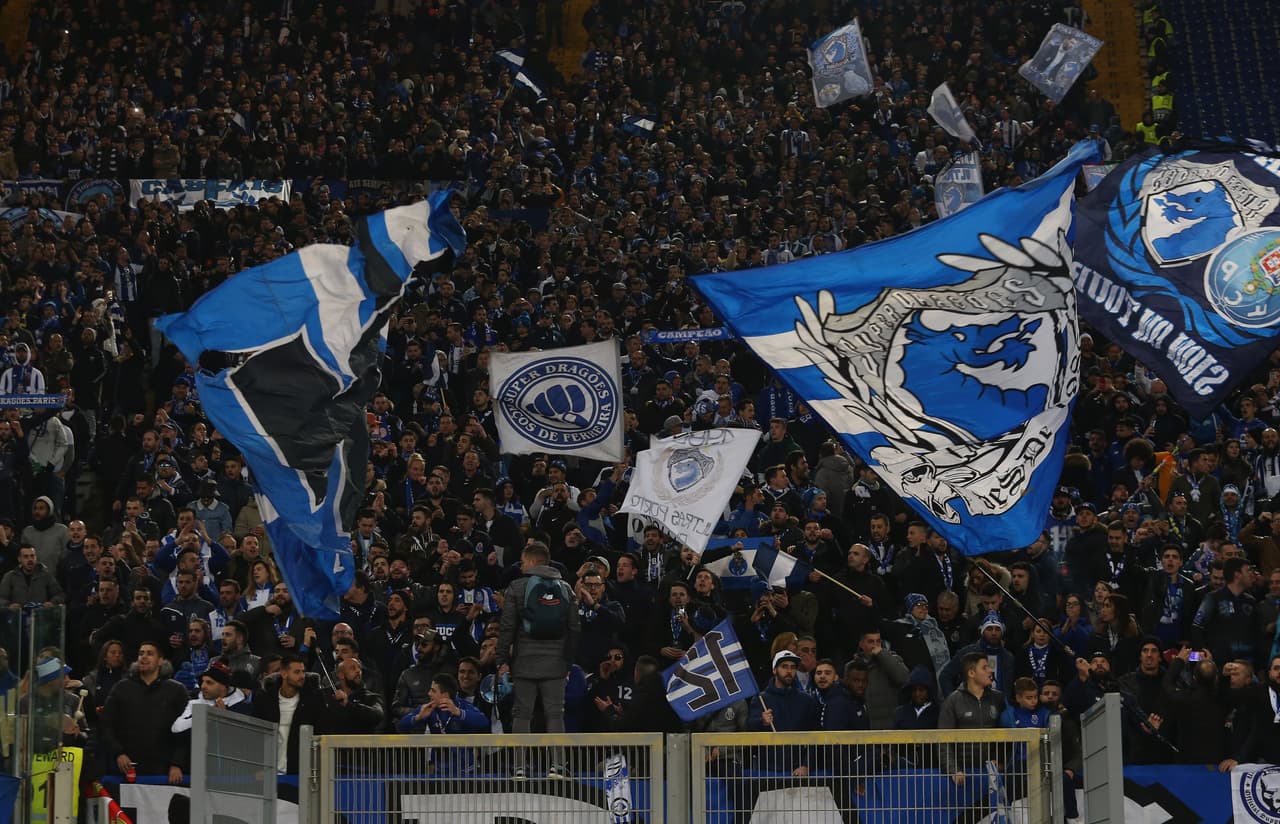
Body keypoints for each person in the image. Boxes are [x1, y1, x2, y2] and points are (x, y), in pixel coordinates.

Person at [496, 542, 579, 778]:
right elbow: (574, 628)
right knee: (555, 713)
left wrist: (502, 660)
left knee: (522, 714)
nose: (521, 566)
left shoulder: (517, 587)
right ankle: (559, 766)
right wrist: (568, 662)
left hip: (524, 663)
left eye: (522, 562)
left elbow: (507, 627)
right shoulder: (566, 588)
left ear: (532, 562)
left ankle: (520, 768)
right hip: (556, 664)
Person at [98, 641, 190, 784]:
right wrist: (118, 753)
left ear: (160, 661)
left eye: (149, 654)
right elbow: (105, 725)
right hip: (128, 771)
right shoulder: (122, 688)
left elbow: (185, 732)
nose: (144, 657)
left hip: (165, 772)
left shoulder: (176, 690)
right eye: (141, 653)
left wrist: (177, 764)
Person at [252, 653, 328, 774]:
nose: (302, 676)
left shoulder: (313, 699)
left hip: (300, 771)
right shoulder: (265, 699)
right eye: (297, 672)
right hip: (270, 770)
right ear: (284, 673)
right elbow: (257, 736)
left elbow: (321, 733)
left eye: (303, 671)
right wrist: (258, 767)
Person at [938, 652, 1006, 785]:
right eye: (985, 667)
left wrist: (1002, 761)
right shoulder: (953, 701)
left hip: (992, 773)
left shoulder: (999, 699)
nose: (990, 670)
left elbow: (1009, 733)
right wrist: (953, 770)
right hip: (963, 775)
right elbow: (943, 740)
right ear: (971, 673)